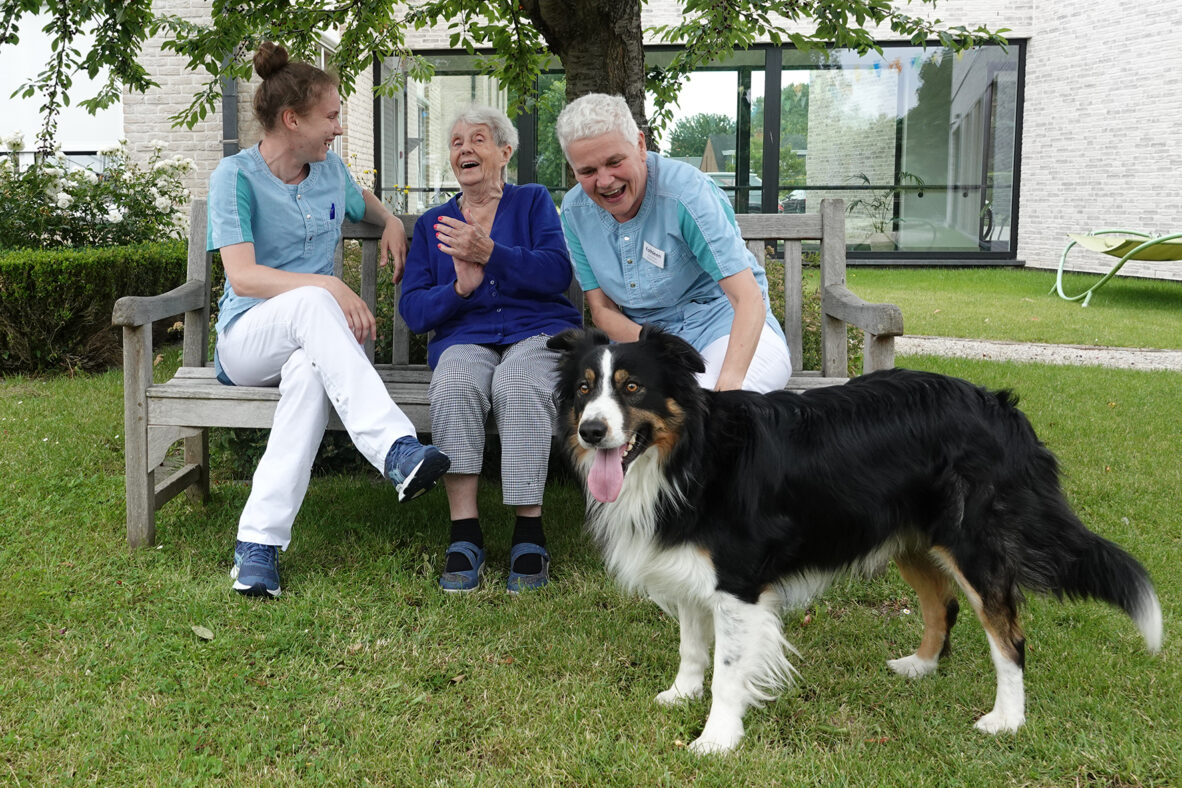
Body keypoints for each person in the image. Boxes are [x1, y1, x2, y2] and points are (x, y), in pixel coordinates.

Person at [206, 42, 450, 598]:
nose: (338, 128)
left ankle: (257, 548)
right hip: (248, 340)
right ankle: (395, 449)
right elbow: (242, 276)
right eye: (332, 116)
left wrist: (389, 219)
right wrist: (328, 283)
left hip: (311, 348)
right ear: (292, 120)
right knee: (316, 304)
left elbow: (362, 202)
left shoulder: (328, 170)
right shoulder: (235, 178)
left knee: (311, 377)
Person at [400, 104, 582, 593]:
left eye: (477, 139)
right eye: (457, 142)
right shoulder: (432, 225)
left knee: (518, 380)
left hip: (536, 333)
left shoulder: (532, 202)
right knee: (456, 379)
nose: (465, 149)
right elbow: (414, 311)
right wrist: (458, 291)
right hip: (464, 338)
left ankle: (529, 530)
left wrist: (492, 254)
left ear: (504, 152)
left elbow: (556, 273)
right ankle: (465, 532)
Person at [555, 93, 792, 393]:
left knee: (704, 410)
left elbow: (747, 299)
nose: (604, 181)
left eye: (614, 162)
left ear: (640, 146)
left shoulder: (685, 193)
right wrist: (662, 349)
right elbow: (602, 310)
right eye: (587, 171)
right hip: (644, 343)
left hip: (727, 330)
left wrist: (730, 391)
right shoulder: (575, 211)